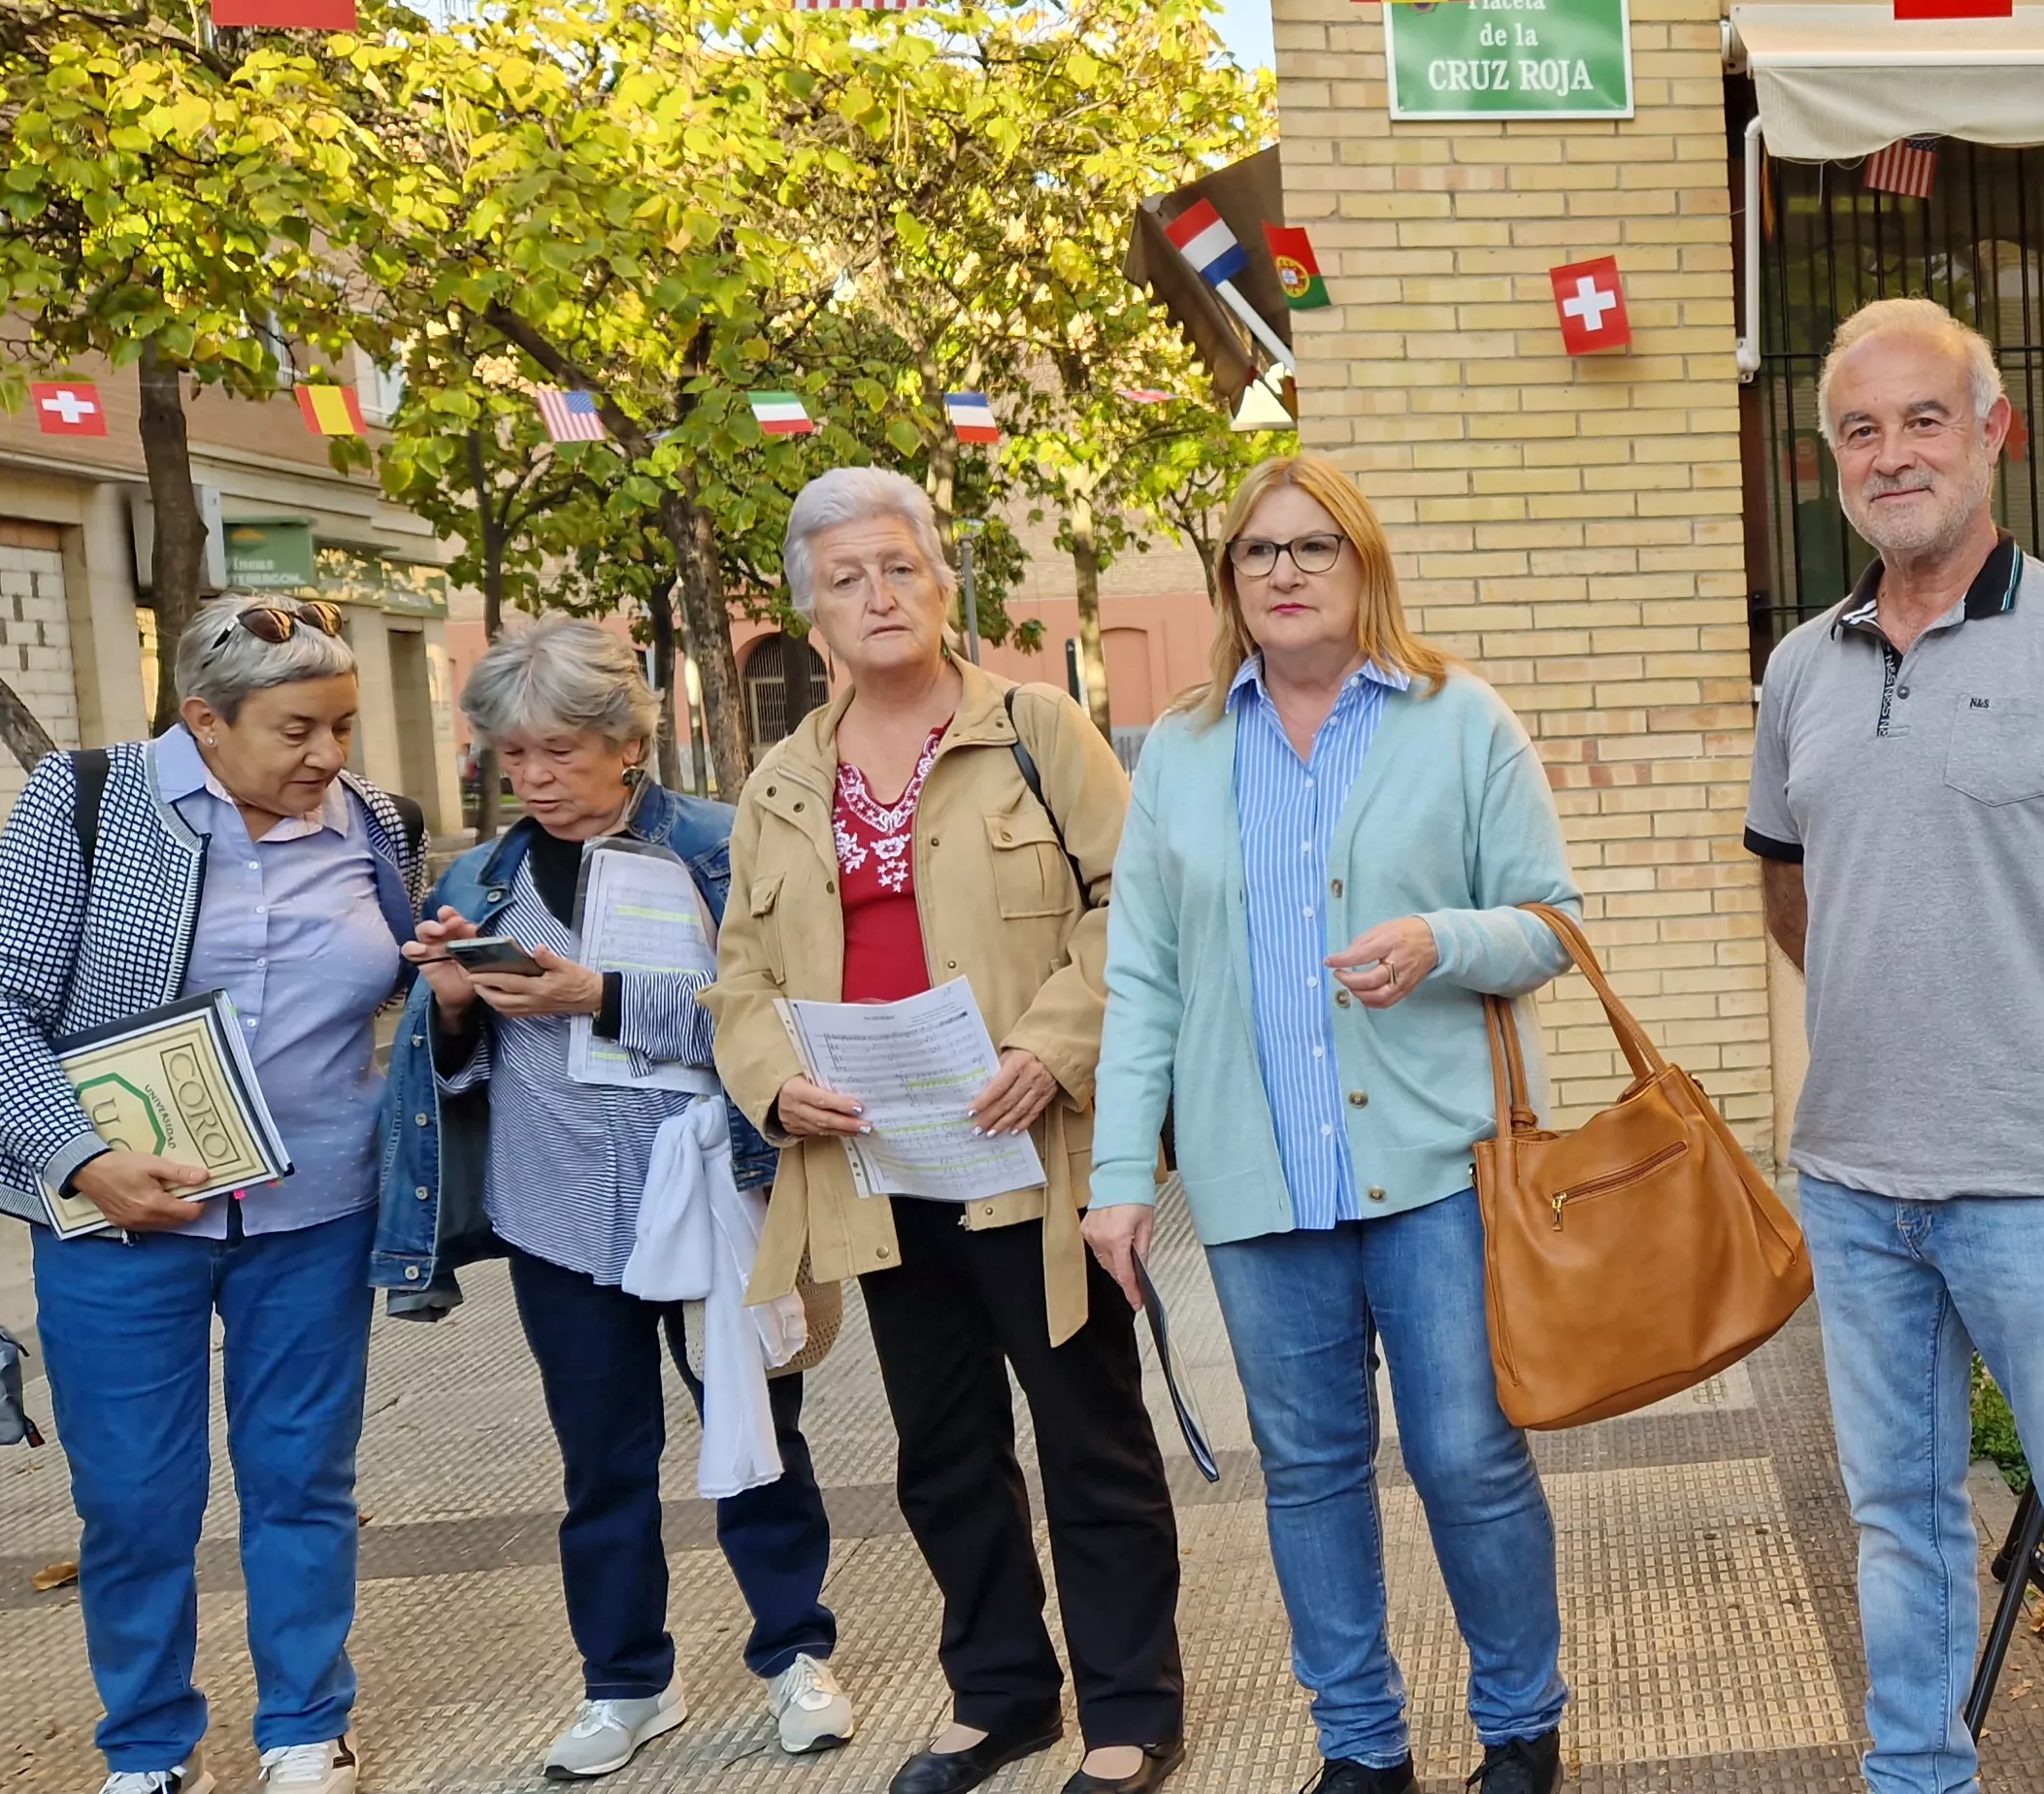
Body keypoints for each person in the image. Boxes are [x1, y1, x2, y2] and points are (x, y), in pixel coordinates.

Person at [1744, 296, 2044, 1794]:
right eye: (1861, 431)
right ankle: (1916, 1775)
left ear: (1996, 432)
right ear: (1833, 461)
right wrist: (1908, 1006)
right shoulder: (1798, 670)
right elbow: (1791, 887)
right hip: (1855, 1182)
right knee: (1898, 1517)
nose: (1894, 455)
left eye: (1924, 419)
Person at [1084, 453, 1583, 1794]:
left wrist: (1441, 939)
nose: (1286, 573)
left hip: (1434, 1172)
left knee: (1469, 1459)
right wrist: (1121, 1175)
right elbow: (1142, 980)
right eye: (1258, 554)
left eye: (1314, 549)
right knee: (1307, 1478)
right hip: (1260, 1183)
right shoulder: (1181, 754)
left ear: (1365, 568)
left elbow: (1553, 926)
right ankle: (1361, 1750)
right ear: (1227, 585)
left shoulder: (1458, 717)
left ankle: (1520, 1728)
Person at [705, 469, 1181, 1794]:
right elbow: (738, 975)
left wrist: (1050, 1045)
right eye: (847, 579)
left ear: (943, 582)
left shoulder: (1037, 729)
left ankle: (1131, 1707)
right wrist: (771, 1082)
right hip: (879, 1163)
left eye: (898, 567)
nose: (878, 596)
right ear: (813, 617)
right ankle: (1002, 1696)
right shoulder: (781, 782)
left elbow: (1133, 911)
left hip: (1032, 1153)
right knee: (944, 1451)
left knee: (1089, 1435)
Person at [0, 596, 425, 1794]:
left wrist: (449, 995)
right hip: (119, 1224)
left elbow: (388, 998)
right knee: (134, 1498)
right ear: (204, 721)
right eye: (297, 729)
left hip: (315, 1215)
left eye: (345, 726)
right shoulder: (87, 798)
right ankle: (151, 1746)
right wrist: (80, 1156)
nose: (327, 756)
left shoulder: (373, 821)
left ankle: (305, 1727)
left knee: (303, 1481)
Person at [373, 620, 854, 1777]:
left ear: (627, 742)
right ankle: (626, 1680)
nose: (533, 779)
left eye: (558, 753)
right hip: (558, 1214)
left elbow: (776, 1020)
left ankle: (796, 1654)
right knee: (600, 1459)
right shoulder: (479, 878)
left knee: (758, 1436)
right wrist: (449, 1007)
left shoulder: (721, 849)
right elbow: (453, 1073)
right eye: (511, 756)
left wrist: (602, 996)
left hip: (713, 1193)